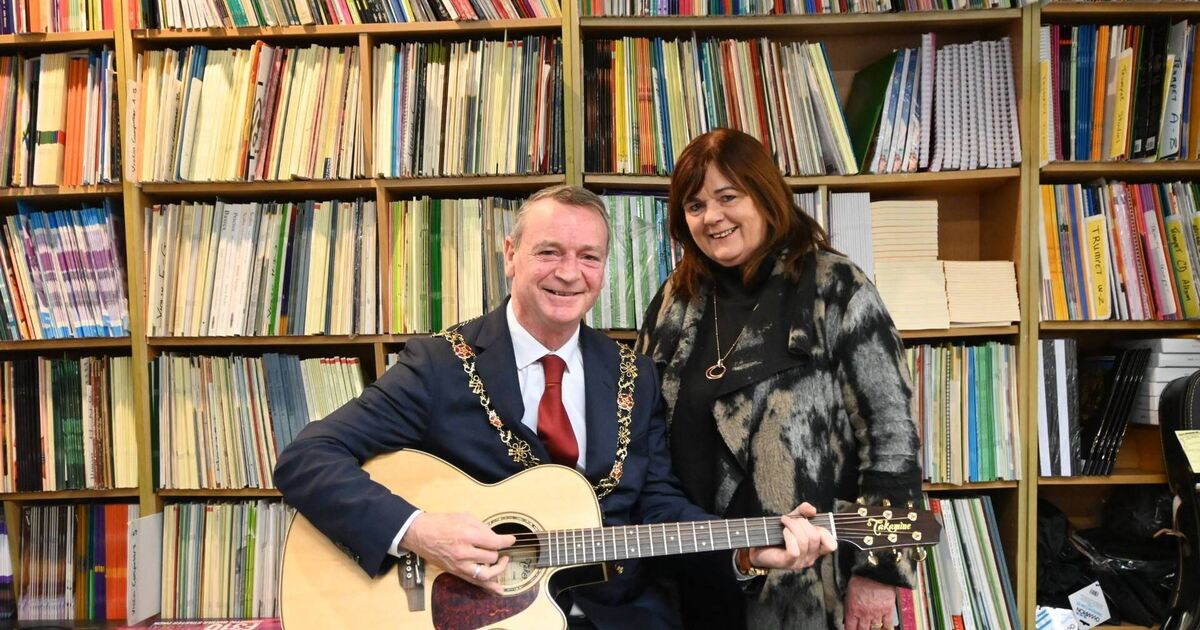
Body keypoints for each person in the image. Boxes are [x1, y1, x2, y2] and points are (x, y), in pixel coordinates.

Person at [273, 184, 837, 630]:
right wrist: (420, 531)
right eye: (550, 252)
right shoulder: (440, 365)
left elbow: (658, 506)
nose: (570, 273)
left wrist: (746, 550)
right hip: (478, 616)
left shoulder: (635, 376)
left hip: (621, 615)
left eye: (589, 257)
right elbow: (307, 459)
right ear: (511, 256)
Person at [636, 129, 923, 630]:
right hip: (689, 573)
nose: (712, 217)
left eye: (728, 197)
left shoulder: (836, 287)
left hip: (807, 583)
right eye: (695, 205)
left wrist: (880, 571)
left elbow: (891, 437)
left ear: (766, 196)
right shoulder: (674, 300)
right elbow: (639, 428)